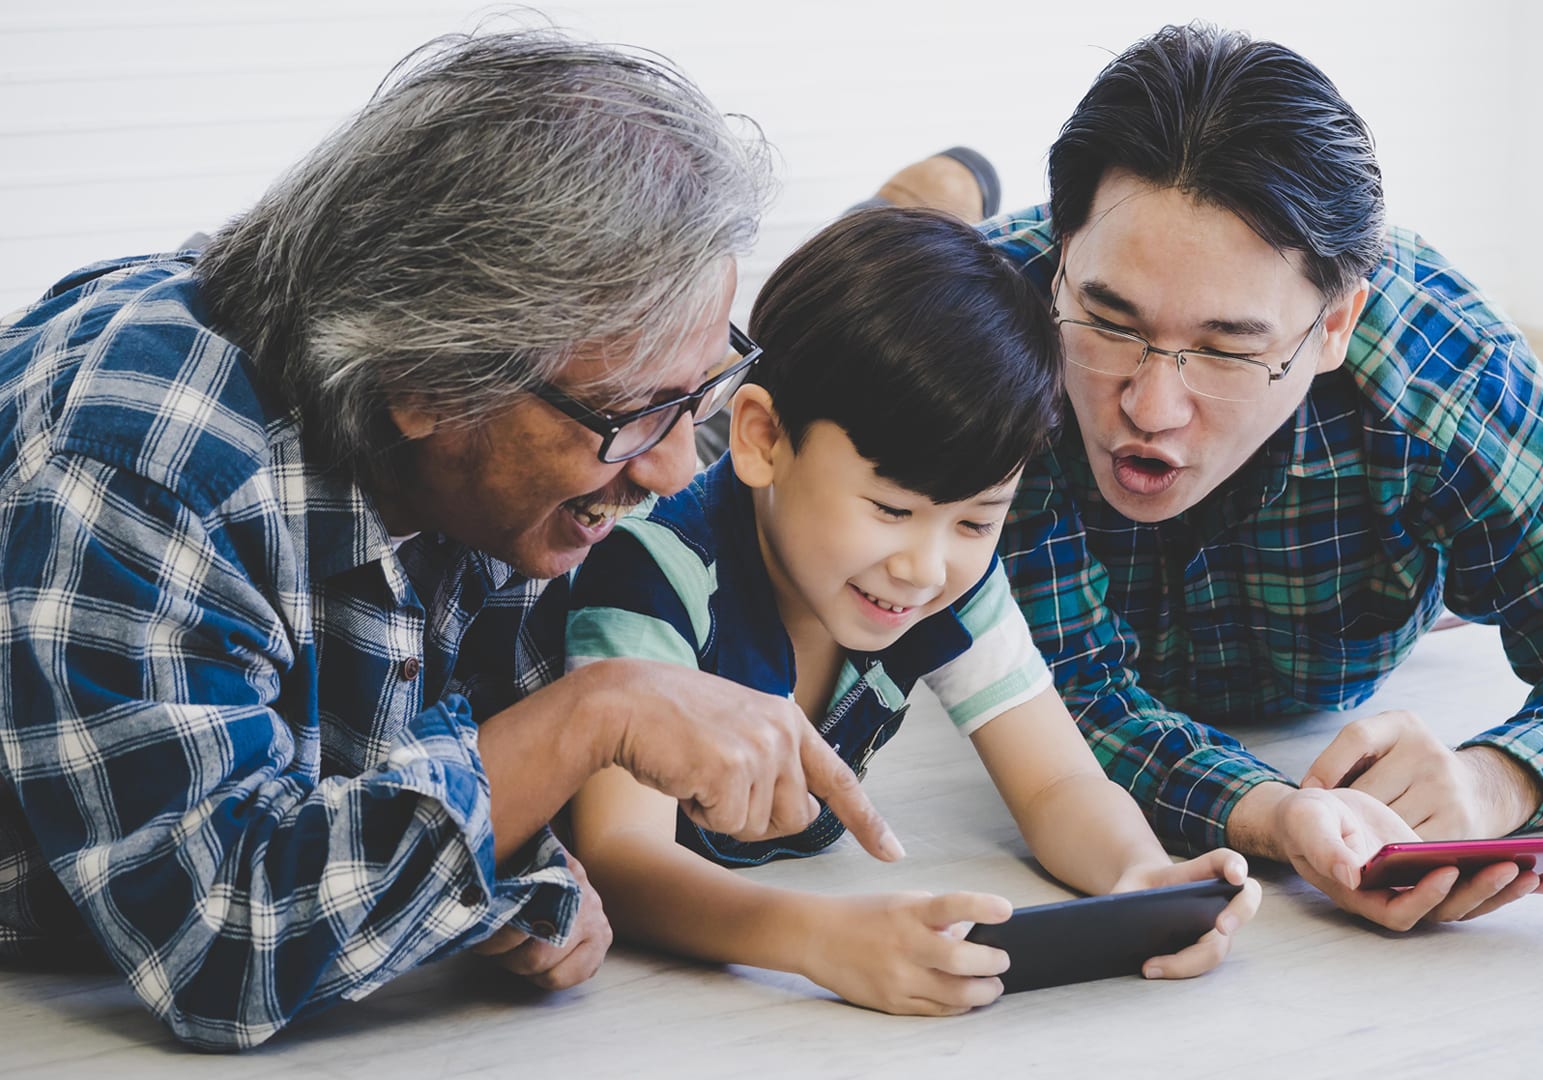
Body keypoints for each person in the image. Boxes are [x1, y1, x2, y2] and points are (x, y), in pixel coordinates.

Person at [0, 30, 899, 1051]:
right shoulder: (149, 473)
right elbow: (217, 943)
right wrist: (589, 717)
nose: (670, 471)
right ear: (428, 382)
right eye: (630, 415)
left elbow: (415, 760)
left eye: (692, 397)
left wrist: (514, 863)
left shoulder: (500, 463)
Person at [970, 24, 1543, 931]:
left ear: (1335, 326)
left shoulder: (1452, 379)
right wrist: (1278, 817)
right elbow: (1071, 700)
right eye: (1110, 320)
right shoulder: (990, 336)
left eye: (1228, 347)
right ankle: (934, 196)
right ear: (1061, 258)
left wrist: (1499, 780)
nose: (1152, 406)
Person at [563, 207, 1262, 1016]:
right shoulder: (652, 571)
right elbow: (619, 856)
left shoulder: (951, 577)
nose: (924, 567)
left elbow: (1058, 782)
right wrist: (818, 940)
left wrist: (1138, 879)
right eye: (891, 509)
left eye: (975, 519)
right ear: (759, 437)